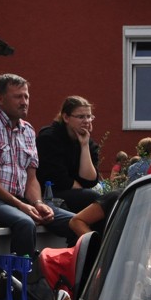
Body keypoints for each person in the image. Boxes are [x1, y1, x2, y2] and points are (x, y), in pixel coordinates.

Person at [0, 73, 59, 257]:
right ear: (0, 99)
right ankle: (18, 275)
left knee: (72, 220)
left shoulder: (28, 130)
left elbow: (31, 178)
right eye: (18, 97)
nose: (24, 102)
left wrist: (38, 203)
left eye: (26, 96)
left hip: (22, 201)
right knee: (25, 223)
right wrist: (21, 206)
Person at [36, 95, 103, 224]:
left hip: (75, 192)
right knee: (94, 199)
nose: (86, 121)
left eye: (89, 116)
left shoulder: (89, 143)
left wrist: (84, 145)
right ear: (66, 117)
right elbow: (57, 178)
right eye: (81, 117)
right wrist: (81, 188)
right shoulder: (49, 138)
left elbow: (90, 181)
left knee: (104, 201)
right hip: (50, 194)